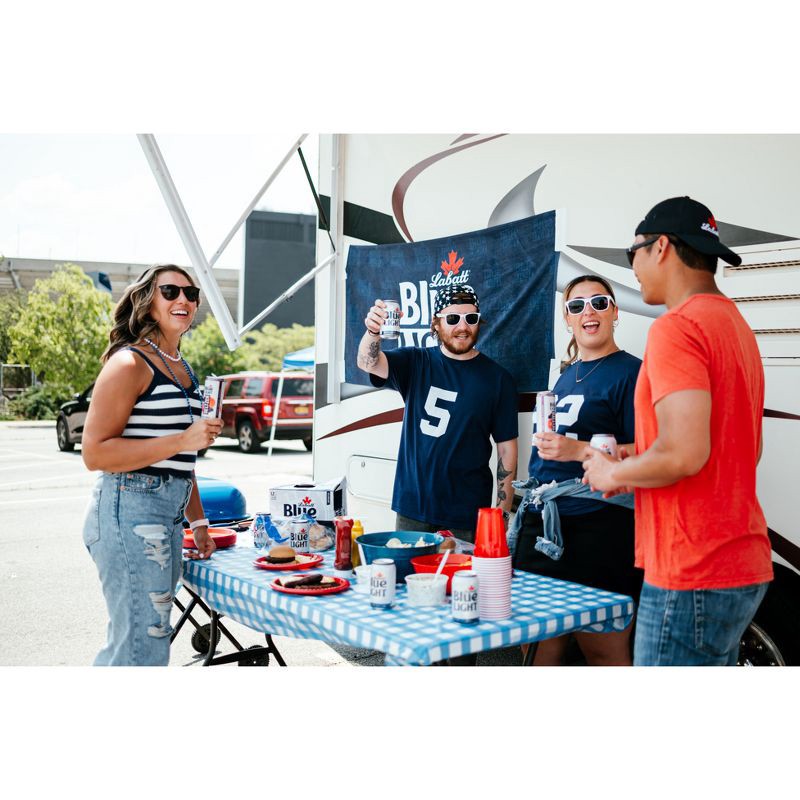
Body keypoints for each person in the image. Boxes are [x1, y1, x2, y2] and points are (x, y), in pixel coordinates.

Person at [583, 196, 773, 666]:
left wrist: (612, 475)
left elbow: (685, 453)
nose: (634, 269)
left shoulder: (677, 327)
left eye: (633, 255)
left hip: (691, 567)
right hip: (740, 561)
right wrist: (637, 453)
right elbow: (742, 449)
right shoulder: (735, 325)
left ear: (661, 246)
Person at [81, 264, 223, 666]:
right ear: (148, 301)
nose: (183, 300)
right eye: (171, 291)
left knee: (147, 641)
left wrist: (198, 523)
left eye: (191, 294)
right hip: (130, 510)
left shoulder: (183, 368)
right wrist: (184, 438)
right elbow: (94, 453)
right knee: (140, 648)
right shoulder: (130, 363)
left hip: (168, 516)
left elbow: (182, 460)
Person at [510, 275, 643, 666]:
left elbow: (651, 450)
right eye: (576, 305)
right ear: (567, 319)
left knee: (602, 650)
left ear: (615, 313)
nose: (589, 311)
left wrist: (579, 450)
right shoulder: (567, 374)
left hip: (599, 526)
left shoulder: (632, 372)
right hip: (543, 524)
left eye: (599, 303)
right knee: (536, 645)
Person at [356, 285, 518, 542]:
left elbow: (507, 451)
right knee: (408, 580)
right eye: (453, 318)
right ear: (436, 323)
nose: (462, 327)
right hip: (413, 508)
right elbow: (368, 362)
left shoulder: (498, 379)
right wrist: (373, 331)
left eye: (471, 318)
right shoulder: (415, 362)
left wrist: (502, 514)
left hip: (467, 515)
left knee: (464, 582)